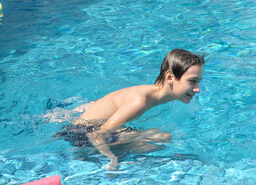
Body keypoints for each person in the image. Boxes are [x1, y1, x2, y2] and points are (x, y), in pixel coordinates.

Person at [54, 49, 204, 170]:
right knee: (161, 137)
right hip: (80, 134)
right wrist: (111, 158)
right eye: (192, 81)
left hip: (85, 123)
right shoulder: (139, 102)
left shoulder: (150, 92)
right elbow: (96, 134)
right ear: (170, 77)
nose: (197, 89)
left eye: (198, 81)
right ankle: (88, 154)